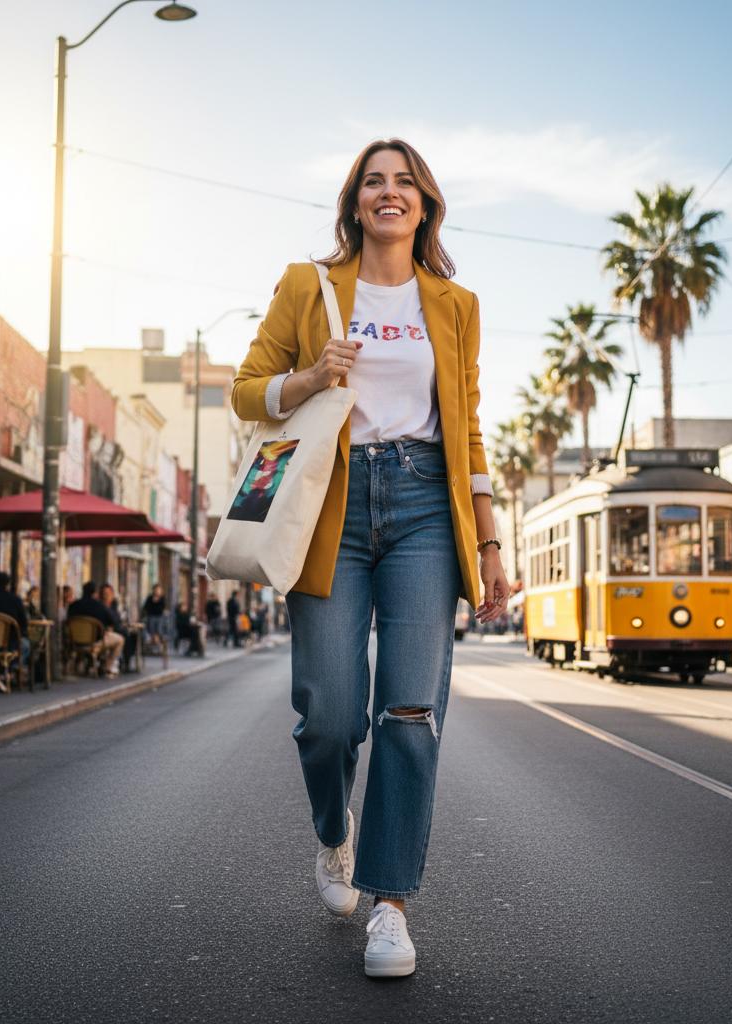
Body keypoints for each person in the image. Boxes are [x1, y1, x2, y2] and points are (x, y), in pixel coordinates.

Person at [230, 138, 509, 978]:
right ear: (355, 202)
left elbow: (466, 432)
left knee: (411, 711)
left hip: (426, 501)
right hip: (330, 506)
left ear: (425, 204)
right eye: (374, 182)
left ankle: (391, 905)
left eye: (406, 183)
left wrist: (490, 543)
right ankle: (333, 835)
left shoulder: (453, 304)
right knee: (329, 715)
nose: (390, 193)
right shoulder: (305, 285)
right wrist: (314, 375)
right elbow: (248, 390)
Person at [68, 581, 124, 676]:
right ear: (95, 593)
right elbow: (114, 621)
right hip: (96, 641)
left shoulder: (73, 606)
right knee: (120, 640)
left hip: (75, 640)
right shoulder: (99, 606)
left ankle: (82, 664)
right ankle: (107, 666)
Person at [142, 583, 168, 653]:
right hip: (151, 617)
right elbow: (146, 608)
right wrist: (153, 603)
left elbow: (161, 610)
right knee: (151, 620)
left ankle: (156, 637)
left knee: (160, 621)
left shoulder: (162, 599)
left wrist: (156, 603)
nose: (157, 591)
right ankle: (154, 637)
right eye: (156, 590)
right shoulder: (150, 598)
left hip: (160, 618)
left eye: (159, 590)